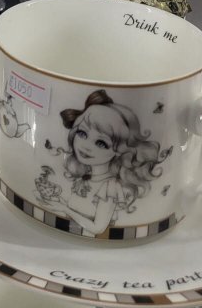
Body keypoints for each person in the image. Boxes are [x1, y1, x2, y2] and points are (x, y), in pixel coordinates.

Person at [36, 89, 165, 235]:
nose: (86, 146)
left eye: (101, 143)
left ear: (120, 151)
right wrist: (58, 202)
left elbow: (98, 228)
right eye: (82, 133)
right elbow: (79, 211)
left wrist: (64, 209)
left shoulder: (110, 187)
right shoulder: (86, 177)